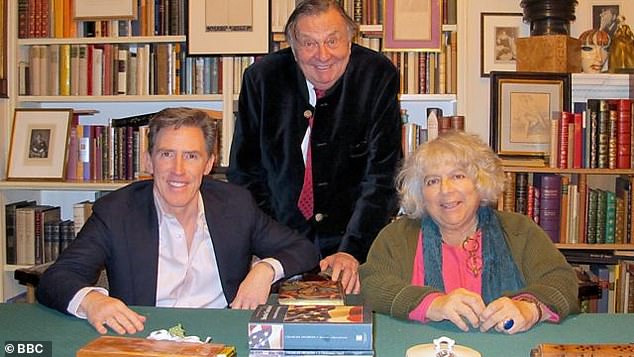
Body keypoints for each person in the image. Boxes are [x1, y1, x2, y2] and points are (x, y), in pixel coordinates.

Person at [36, 107, 319, 335]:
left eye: (191, 156)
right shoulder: (117, 212)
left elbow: (303, 249)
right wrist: (92, 301)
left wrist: (265, 271)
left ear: (209, 164)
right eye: (167, 154)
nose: (178, 170)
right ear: (149, 161)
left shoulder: (235, 205)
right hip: (145, 337)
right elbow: (56, 279)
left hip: (223, 335)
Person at [227, 0, 402, 295]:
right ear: (293, 48)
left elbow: (383, 176)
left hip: (353, 242)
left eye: (332, 40)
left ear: (350, 39)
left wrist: (352, 249)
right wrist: (274, 246)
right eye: (309, 43)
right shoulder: (261, 79)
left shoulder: (376, 74)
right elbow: (245, 173)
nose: (323, 55)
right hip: (277, 242)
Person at [359, 131, 579, 335]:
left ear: (480, 182)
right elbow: (372, 285)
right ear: (421, 193)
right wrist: (431, 304)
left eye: (458, 176)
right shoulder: (397, 236)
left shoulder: (519, 230)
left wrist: (529, 308)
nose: (446, 190)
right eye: (432, 181)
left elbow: (561, 281)